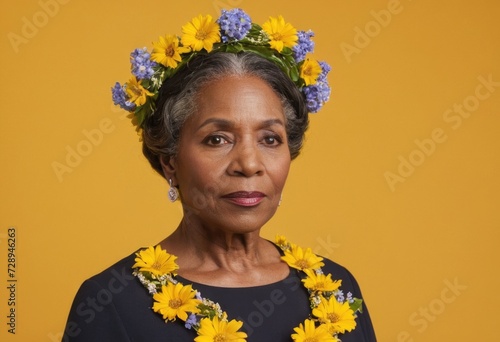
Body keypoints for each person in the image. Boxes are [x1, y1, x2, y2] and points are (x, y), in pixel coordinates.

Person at [63, 9, 376, 341]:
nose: (249, 164)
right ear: (169, 159)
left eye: (270, 139)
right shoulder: (112, 302)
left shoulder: (335, 290)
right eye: (217, 139)